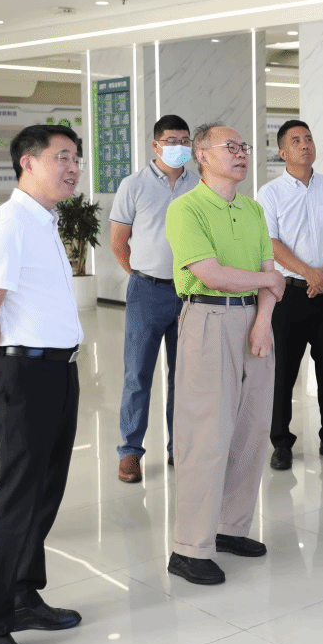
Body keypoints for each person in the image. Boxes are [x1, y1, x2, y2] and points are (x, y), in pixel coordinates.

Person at [0, 125, 85, 644]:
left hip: (58, 370)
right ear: (27, 163)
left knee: (45, 491)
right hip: (26, 375)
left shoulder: (45, 221)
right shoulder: (9, 223)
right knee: (16, 499)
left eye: (76, 159)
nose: (73, 168)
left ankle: (21, 595)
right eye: (62, 157)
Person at [164, 123, 284, 586]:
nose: (241, 153)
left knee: (252, 430)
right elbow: (212, 274)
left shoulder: (253, 209)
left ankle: (230, 527)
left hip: (256, 321)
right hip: (209, 319)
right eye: (230, 147)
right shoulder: (186, 208)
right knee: (206, 436)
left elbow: (270, 272)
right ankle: (189, 548)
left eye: (243, 146)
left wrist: (263, 320)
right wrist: (269, 282)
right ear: (202, 156)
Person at [257, 120, 323, 471]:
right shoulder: (269, 193)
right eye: (296, 140)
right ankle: (281, 443)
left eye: (309, 139)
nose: (305, 145)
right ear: (283, 152)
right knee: (282, 372)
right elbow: (270, 243)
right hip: (289, 295)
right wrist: (308, 273)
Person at [109, 114, 199, 483]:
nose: (179, 147)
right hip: (147, 290)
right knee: (137, 374)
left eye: (185, 140)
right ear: (156, 145)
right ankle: (130, 451)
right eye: (171, 140)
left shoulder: (200, 184)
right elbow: (119, 243)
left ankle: (179, 446)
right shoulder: (133, 185)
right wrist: (143, 275)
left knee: (186, 376)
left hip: (191, 292)